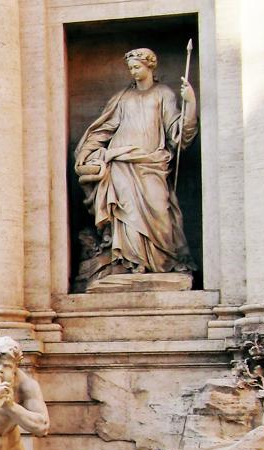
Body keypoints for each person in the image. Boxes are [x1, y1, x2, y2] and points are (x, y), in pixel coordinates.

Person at [74, 47, 198, 280]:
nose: (133, 71)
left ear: (150, 66)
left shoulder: (164, 94)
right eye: (130, 68)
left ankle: (161, 261)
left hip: (152, 162)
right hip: (121, 161)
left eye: (137, 67)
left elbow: (178, 133)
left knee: (160, 210)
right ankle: (130, 262)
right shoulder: (122, 97)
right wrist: (88, 150)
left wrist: (190, 104)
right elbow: (104, 128)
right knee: (126, 212)